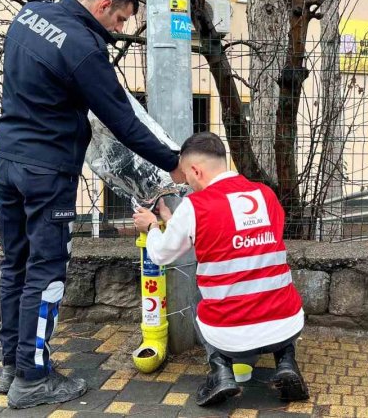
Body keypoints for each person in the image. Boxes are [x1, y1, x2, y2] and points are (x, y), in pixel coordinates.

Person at [0, 0, 185, 409]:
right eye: (119, 20)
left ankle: (12, 367)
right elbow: (123, 121)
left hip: (8, 162)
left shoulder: (29, 15)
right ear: (102, 7)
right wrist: (174, 163)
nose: (118, 30)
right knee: (46, 275)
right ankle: (33, 378)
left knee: (16, 265)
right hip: (47, 172)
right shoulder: (82, 47)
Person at [132, 132, 310, 407]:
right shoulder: (265, 195)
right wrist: (174, 219)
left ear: (196, 170)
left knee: (196, 296)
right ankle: (286, 362)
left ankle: (221, 371)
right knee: (266, 283)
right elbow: (237, 240)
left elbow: (160, 254)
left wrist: (153, 226)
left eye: (186, 177)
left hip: (229, 329)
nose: (187, 184)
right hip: (287, 322)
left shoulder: (195, 205)